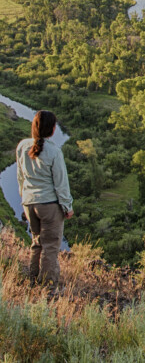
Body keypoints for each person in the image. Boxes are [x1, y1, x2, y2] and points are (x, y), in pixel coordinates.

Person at [16, 110, 73, 286]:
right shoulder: (54, 152)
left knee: (37, 242)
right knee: (50, 247)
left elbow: (20, 177)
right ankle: (48, 286)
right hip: (48, 205)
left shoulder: (23, 146)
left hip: (29, 202)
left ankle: (32, 279)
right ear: (53, 129)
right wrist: (67, 206)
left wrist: (25, 198)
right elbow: (61, 183)